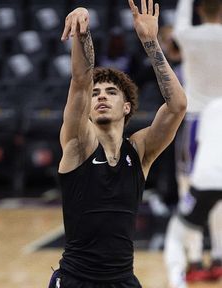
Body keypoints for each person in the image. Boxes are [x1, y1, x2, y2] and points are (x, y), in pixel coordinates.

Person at [48, 0, 187, 287]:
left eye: (111, 92)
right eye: (96, 93)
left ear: (126, 107)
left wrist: (151, 42)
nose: (100, 96)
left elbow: (177, 107)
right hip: (76, 280)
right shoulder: (78, 145)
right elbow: (81, 80)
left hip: (123, 280)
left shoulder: (139, 150)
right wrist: (83, 32)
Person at [164, 0, 222, 287]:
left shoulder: (188, 34)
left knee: (190, 188)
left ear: (201, 10)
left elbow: (180, 19)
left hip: (197, 120)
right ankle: (221, 257)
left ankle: (197, 258)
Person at [164, 98, 222, 288]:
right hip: (207, 177)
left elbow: (191, 148)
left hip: (203, 182)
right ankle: (216, 259)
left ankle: (183, 276)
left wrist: (187, 177)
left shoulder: (206, 106)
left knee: (176, 234)